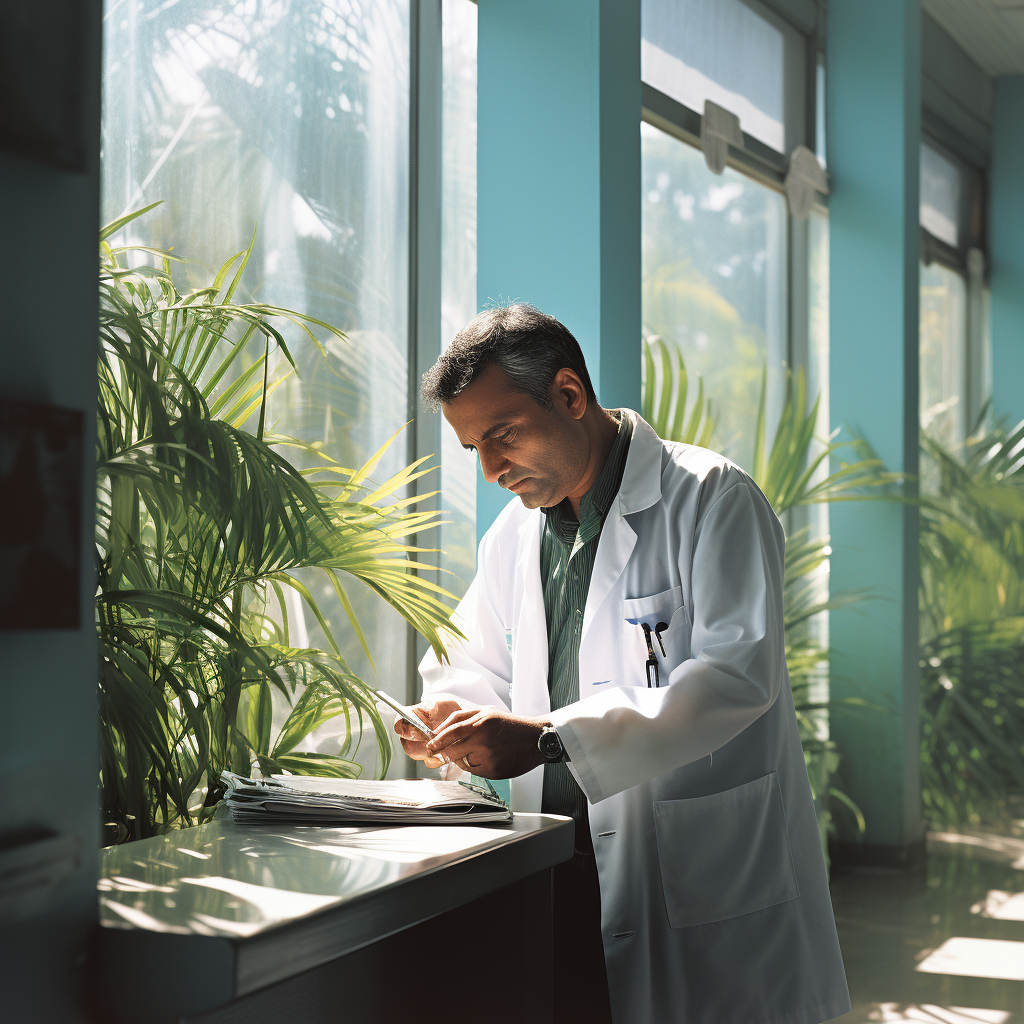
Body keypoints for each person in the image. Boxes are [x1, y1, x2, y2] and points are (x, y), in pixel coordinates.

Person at [394, 304, 851, 1024]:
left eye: (501, 435)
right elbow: (465, 660)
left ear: (570, 396)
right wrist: (446, 719)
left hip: (691, 879)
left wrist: (548, 738)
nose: (489, 470)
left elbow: (736, 677)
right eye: (473, 448)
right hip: (551, 865)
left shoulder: (711, 499)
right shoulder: (514, 534)